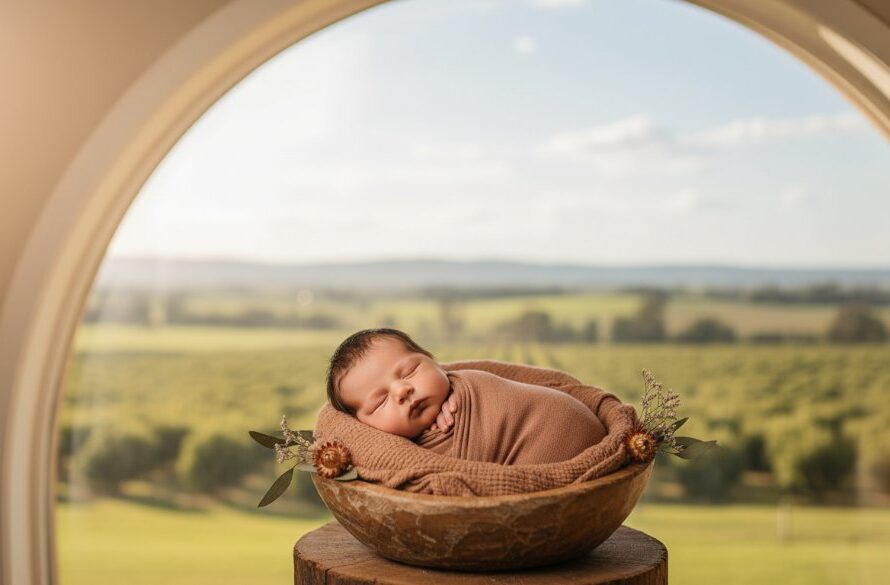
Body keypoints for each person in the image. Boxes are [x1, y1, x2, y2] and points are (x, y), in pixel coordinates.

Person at [325, 328, 607, 465]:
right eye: (381, 402)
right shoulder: (396, 447)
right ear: (364, 426)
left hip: (557, 429)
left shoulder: (465, 388)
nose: (402, 391)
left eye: (410, 371)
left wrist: (460, 395)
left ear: (436, 363)